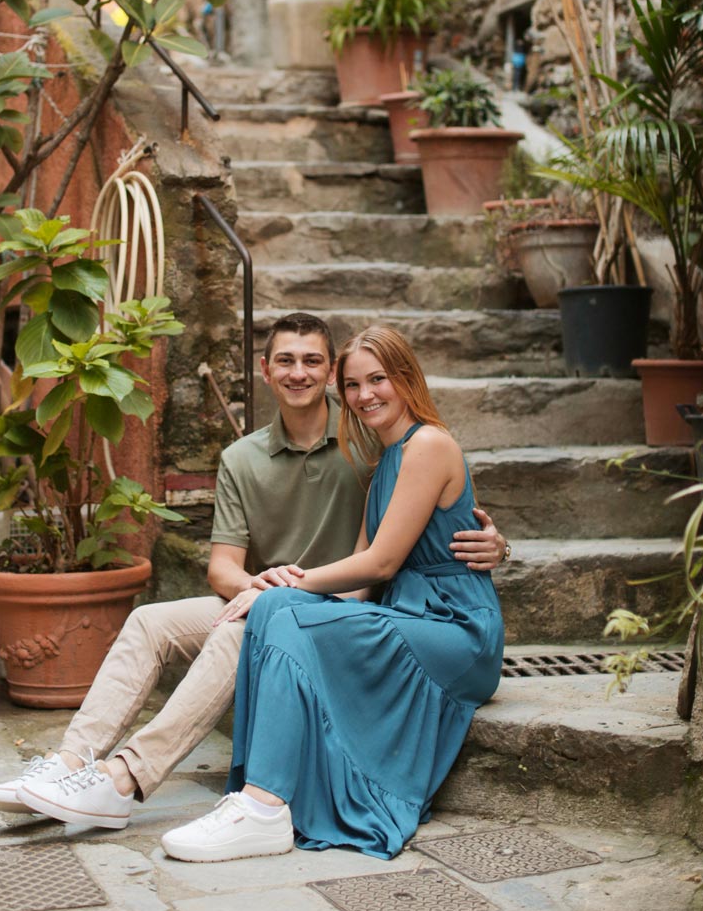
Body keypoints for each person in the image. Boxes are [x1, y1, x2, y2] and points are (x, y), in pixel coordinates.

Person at [0, 313, 508, 830]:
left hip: (333, 601)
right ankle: (69, 764)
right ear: (265, 369)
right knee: (149, 621)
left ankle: (125, 778)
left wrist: (498, 545)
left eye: (313, 362)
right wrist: (259, 585)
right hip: (281, 594)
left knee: (244, 630)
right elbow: (221, 568)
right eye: (285, 360)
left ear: (329, 373)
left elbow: (440, 509)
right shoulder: (243, 457)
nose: (299, 373)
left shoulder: (370, 436)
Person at [160, 325, 504, 864]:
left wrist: (289, 584)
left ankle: (263, 807)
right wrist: (284, 600)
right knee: (279, 611)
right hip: (411, 616)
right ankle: (258, 801)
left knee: (283, 606)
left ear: (406, 378)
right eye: (352, 385)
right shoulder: (384, 462)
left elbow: (381, 562)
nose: (365, 395)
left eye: (378, 380)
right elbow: (362, 585)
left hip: (457, 630)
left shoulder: (429, 445)